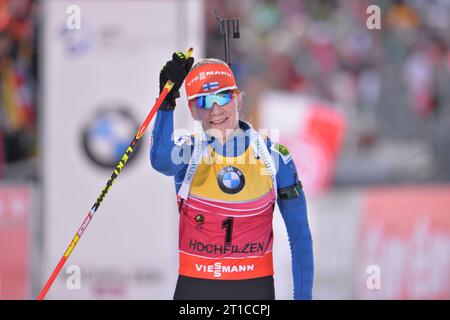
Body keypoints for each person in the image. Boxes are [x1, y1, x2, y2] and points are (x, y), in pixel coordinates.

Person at [150, 51, 314, 300]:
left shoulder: (274, 157)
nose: (215, 110)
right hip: (196, 290)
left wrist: (303, 298)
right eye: (204, 101)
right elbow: (161, 160)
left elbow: (299, 235)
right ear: (193, 111)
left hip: (253, 291)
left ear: (237, 100)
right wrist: (166, 100)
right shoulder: (189, 152)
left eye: (222, 97)